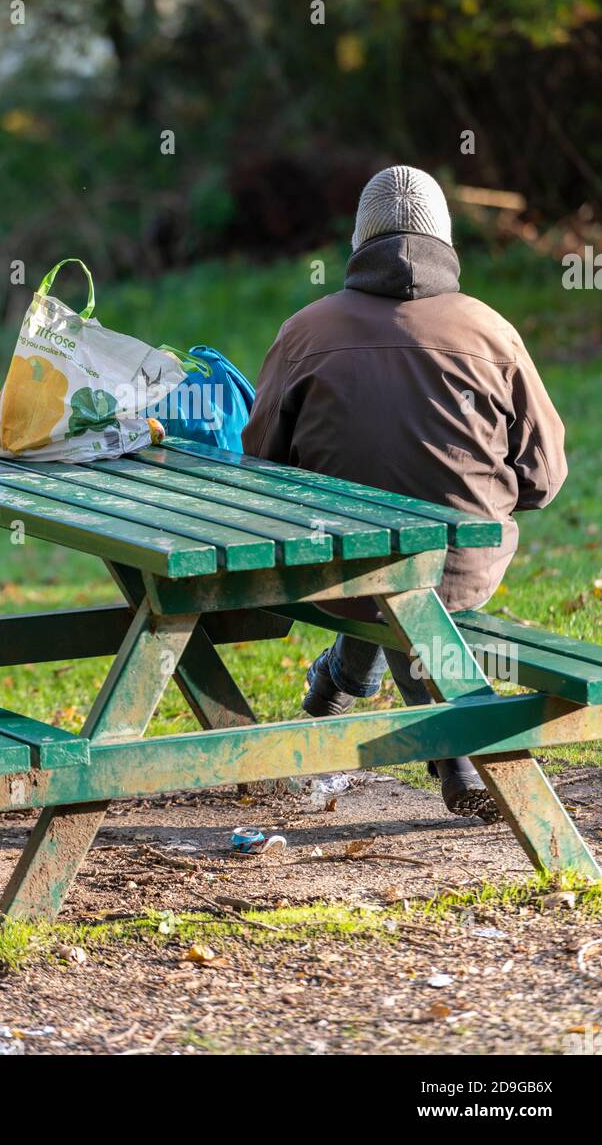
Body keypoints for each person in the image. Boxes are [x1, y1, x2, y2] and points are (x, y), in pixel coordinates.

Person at [242, 165, 567, 820]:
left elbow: (261, 462)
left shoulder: (306, 330)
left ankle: (338, 687)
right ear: (445, 239)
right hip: (462, 566)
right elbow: (545, 476)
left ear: (360, 241)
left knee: (378, 568)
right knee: (409, 575)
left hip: (330, 566)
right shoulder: (491, 331)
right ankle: (454, 755)